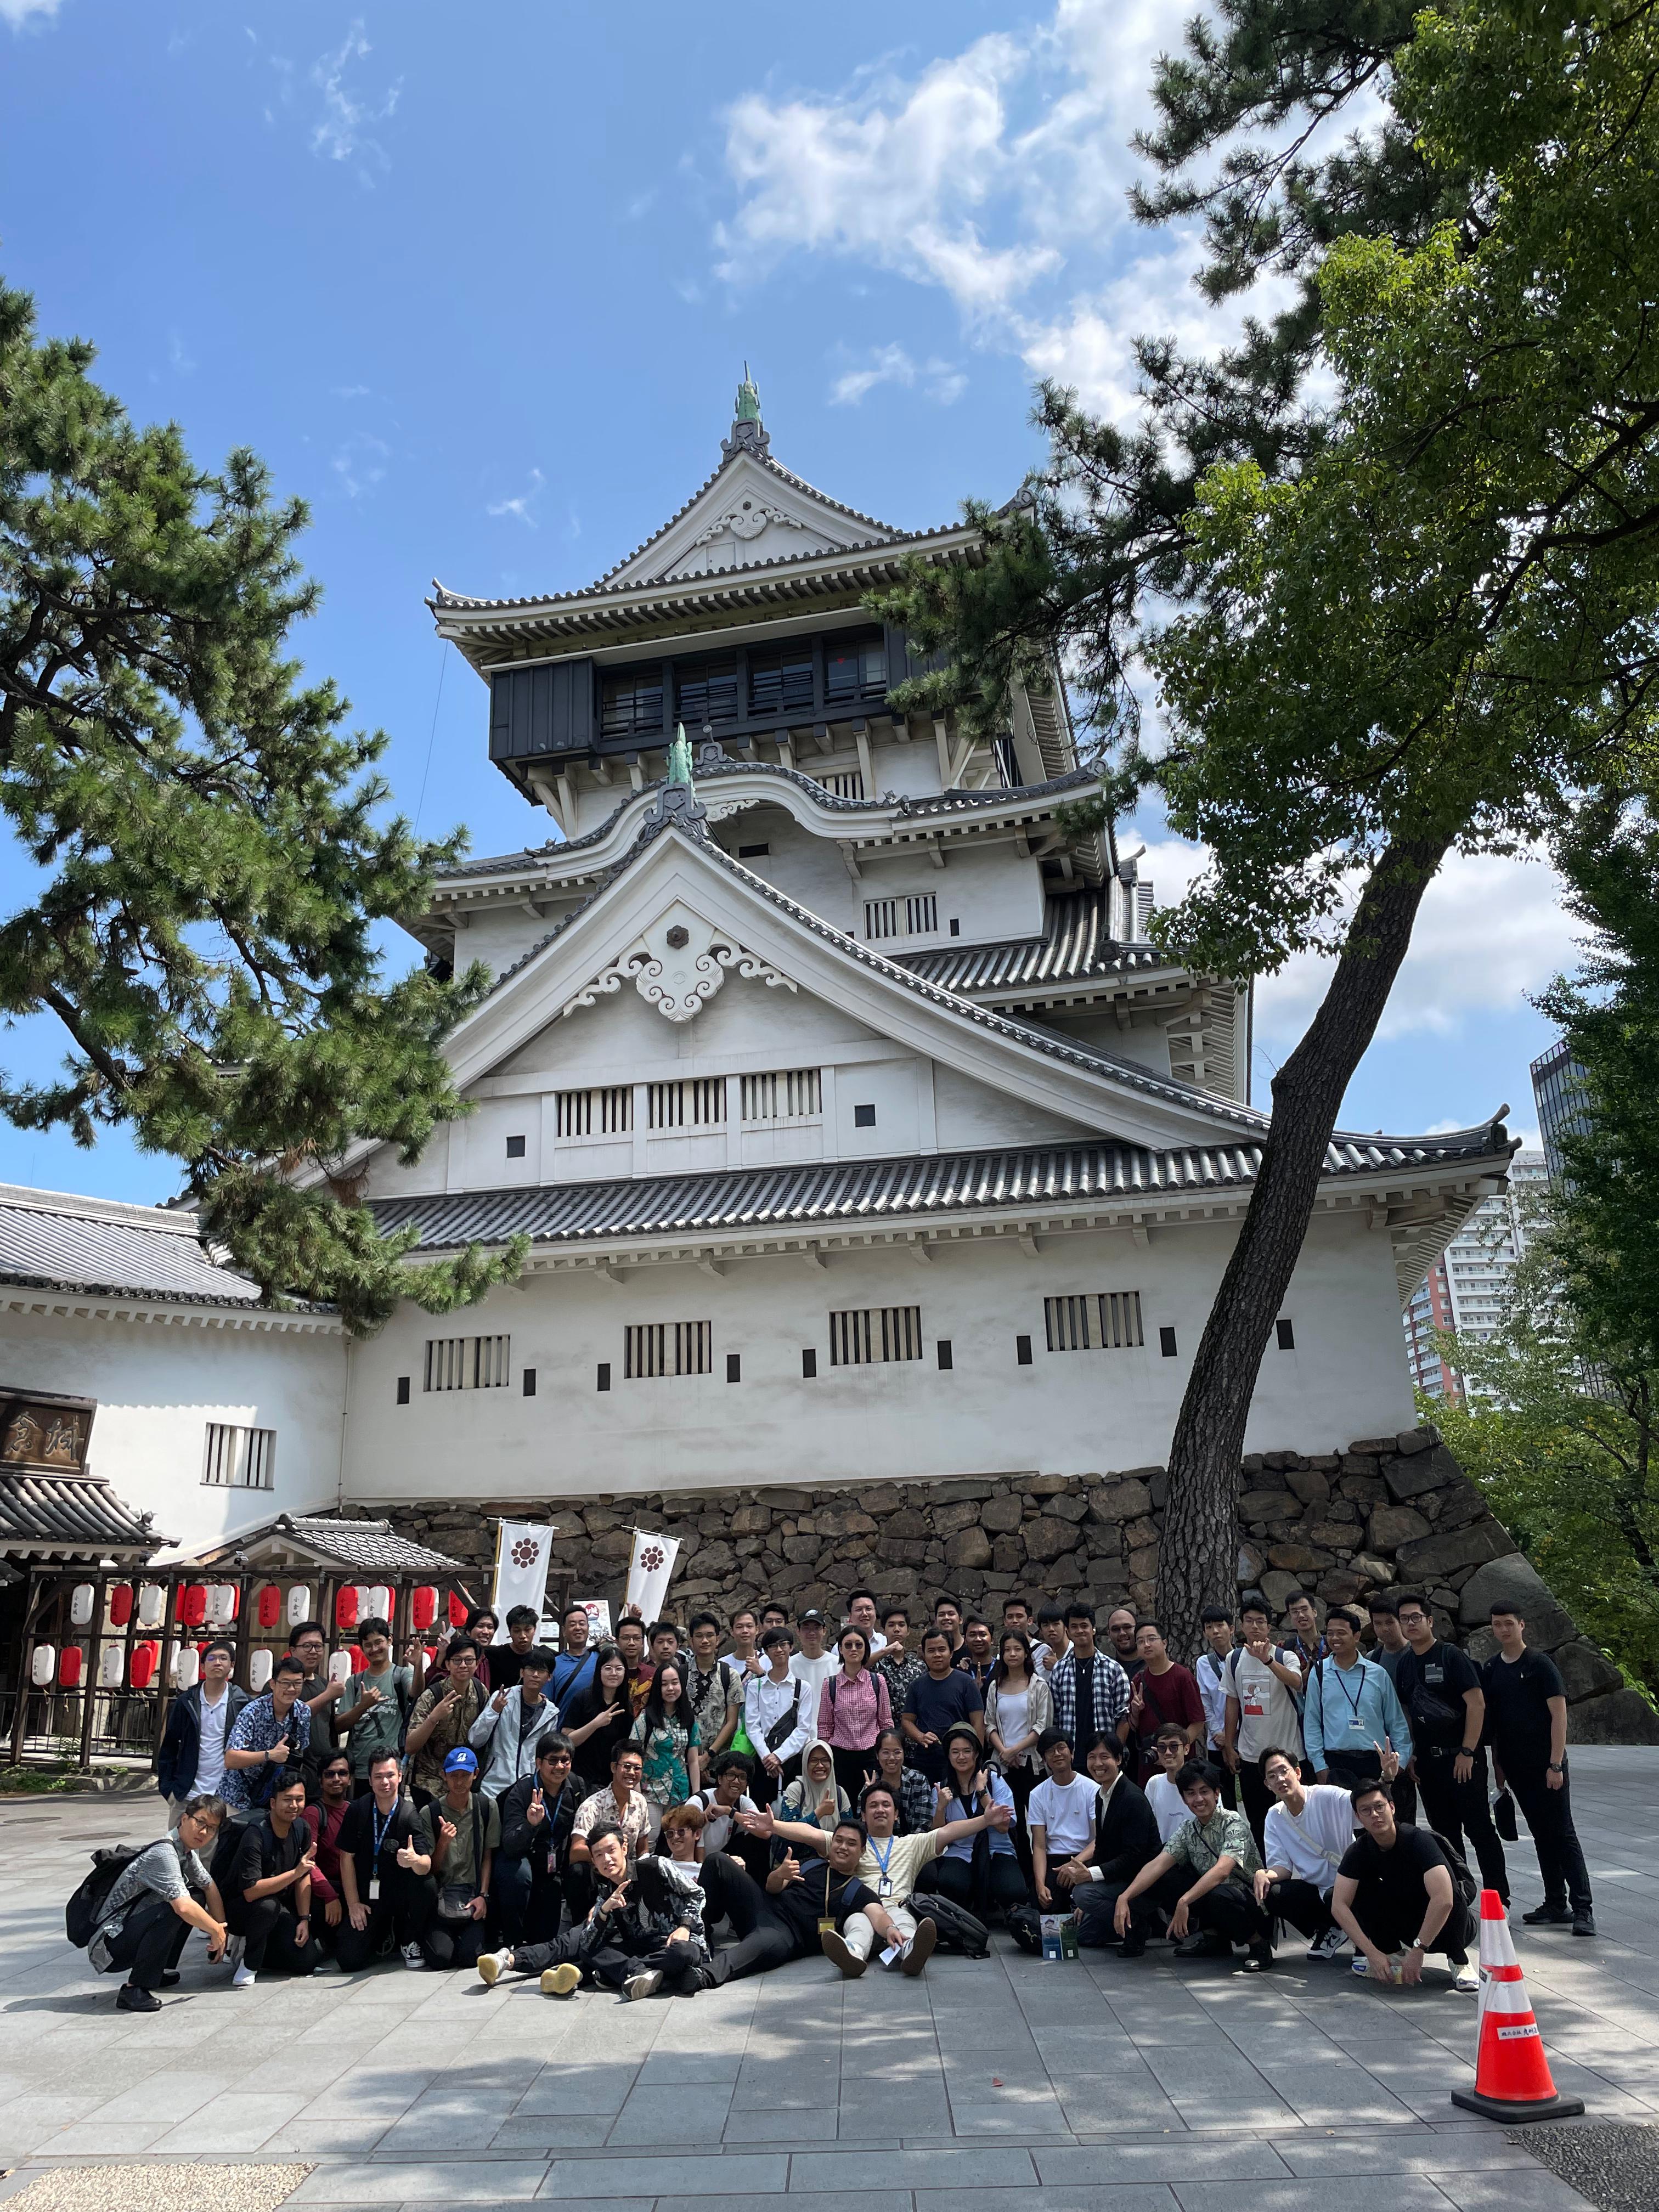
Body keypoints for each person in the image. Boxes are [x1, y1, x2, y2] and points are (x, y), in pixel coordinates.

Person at [479, 1822, 709, 1999]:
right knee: (589, 1949)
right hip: (639, 1948)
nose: (607, 1859)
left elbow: (697, 1894)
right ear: (593, 1860)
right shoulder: (605, 1891)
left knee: (682, 1955)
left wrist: (684, 1927)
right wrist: (603, 1913)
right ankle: (635, 1973)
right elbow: (588, 1943)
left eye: (611, 1851)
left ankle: (611, 1973)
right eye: (599, 1855)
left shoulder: (656, 1866)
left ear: (625, 1847)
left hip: (674, 1942)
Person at [1483, 1603, 1594, 1936]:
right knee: (1541, 1834)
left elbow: (1559, 1715)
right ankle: (1554, 1902)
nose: (1503, 1630)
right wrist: (1498, 1767)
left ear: (1522, 1626)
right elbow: (1496, 1724)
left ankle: (1583, 1908)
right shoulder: (1491, 1669)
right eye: (1497, 1625)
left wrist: (1556, 1763)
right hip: (1516, 1767)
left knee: (1563, 1834)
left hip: (1548, 1765)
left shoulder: (1540, 1665)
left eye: (1509, 1624)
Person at [1392, 1592, 1509, 1904]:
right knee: (1445, 1835)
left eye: (1416, 1617)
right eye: (1404, 1619)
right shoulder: (1404, 1664)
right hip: (1429, 1765)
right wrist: (1413, 1753)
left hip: (1463, 1758)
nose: (1410, 1623)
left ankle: (1499, 1900)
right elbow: (1407, 1714)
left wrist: (1468, 1751)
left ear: (1430, 1621)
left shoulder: (1450, 1656)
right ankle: (1460, 1896)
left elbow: (1477, 1703)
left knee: (1480, 1830)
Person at [697, 1815, 903, 1983]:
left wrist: (891, 1929)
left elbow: (878, 1915)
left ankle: (703, 1976)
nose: (843, 1847)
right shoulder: (810, 1864)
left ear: (862, 1851)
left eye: (851, 1844)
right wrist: (780, 1874)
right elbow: (771, 1887)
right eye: (839, 1841)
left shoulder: (859, 1890)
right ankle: (698, 1934)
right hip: (762, 1908)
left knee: (753, 1950)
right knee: (718, 1861)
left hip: (786, 1935)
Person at [1113, 1761, 1273, 1970]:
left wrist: (1184, 1901)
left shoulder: (1233, 1822)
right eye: (1191, 1793)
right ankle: (1215, 1939)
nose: (1198, 1799)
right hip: (1218, 1898)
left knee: (1218, 1894)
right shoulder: (1189, 1828)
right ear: (1183, 1798)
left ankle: (1258, 1944)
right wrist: (1124, 1897)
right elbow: (1158, 1865)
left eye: (1204, 1792)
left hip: (1251, 1902)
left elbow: (1223, 1871)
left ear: (1216, 1794)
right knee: (1166, 1878)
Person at [1330, 1778, 1479, 1991]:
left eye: (1379, 1807)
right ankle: (1392, 1954)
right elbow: (1339, 1905)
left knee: (1448, 1889)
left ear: (1392, 1807)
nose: (1374, 1814)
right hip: (1405, 1924)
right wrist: (1372, 1952)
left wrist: (1419, 1951)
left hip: (1451, 1926)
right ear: (1358, 1817)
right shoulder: (1359, 1850)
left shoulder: (1418, 1840)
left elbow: (1445, 1900)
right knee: (1352, 1892)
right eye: (1366, 1810)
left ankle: (1459, 1961)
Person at [88, 1793, 228, 2011]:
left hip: (127, 1933)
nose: (204, 1832)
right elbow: (182, 1907)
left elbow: (209, 1886)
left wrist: (221, 1929)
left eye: (212, 1828)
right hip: (109, 1946)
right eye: (200, 1822)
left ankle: (155, 1971)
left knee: (196, 1897)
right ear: (184, 1819)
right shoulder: (164, 1853)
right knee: (175, 1909)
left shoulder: (186, 1852)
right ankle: (134, 1989)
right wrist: (215, 1931)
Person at [335, 1748, 435, 1972]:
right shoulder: (358, 1810)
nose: (385, 1782)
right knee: (348, 1960)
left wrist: (414, 1860)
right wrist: (353, 1904)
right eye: (378, 1776)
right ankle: (380, 1935)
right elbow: (346, 1857)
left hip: (400, 1894)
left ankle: (409, 1938)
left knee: (427, 1885)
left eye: (390, 1775)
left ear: (400, 1777)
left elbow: (427, 1865)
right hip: (368, 1896)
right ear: (369, 1780)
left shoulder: (410, 1814)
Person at [1221, 1593, 1306, 1850]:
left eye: (1260, 1621)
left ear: (1269, 1626)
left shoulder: (1284, 1656)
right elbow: (1233, 1701)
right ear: (1242, 1625)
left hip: (1288, 1754)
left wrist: (1267, 1660)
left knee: (1295, 1818)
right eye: (1249, 1621)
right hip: (1251, 1756)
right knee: (1259, 1822)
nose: (1255, 1627)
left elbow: (1297, 1682)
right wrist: (1228, 1743)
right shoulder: (1233, 1659)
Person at [1255, 1746, 1356, 1960]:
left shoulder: (1328, 1796)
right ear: (1267, 1784)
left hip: (1352, 1883)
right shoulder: (1274, 1817)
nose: (1280, 1779)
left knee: (1335, 1895)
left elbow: (1363, 1804)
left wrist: (1386, 1779)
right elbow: (1282, 1867)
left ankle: (1366, 1937)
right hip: (1319, 1889)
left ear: (1298, 1773)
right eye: (1272, 1776)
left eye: (1284, 1771)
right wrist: (1264, 1874)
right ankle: (1332, 1928)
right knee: (1274, 1894)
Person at [919, 1725, 1028, 1917]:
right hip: (961, 1850)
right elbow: (937, 1836)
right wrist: (941, 1807)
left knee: (1013, 1892)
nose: (961, 1757)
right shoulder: (943, 1787)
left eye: (967, 1751)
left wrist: (982, 1792)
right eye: (955, 1752)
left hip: (997, 1848)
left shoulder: (994, 1780)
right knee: (950, 1884)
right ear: (949, 1755)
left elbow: (1003, 1827)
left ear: (976, 1754)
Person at [1302, 1606, 1413, 1792]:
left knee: (1376, 1818)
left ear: (1357, 1636)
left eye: (1341, 1633)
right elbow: (1312, 1721)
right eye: (1330, 1634)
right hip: (1336, 1762)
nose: (1335, 1639)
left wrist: (1400, 1762)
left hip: (1374, 1762)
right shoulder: (1320, 1673)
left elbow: (1396, 1721)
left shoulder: (1377, 1674)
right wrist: (1319, 1765)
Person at [225, 1770, 317, 1985]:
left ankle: (265, 1948)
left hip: (280, 1904)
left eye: (299, 1799)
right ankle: (249, 1962)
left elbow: (304, 1876)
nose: (294, 1805)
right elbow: (251, 1891)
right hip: (243, 1908)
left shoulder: (301, 1827)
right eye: (287, 1800)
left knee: (307, 1962)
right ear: (273, 1803)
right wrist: (295, 1873)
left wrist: (304, 1919)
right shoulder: (256, 1834)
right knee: (267, 1905)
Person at [1071, 1735, 1161, 1946]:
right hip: (1118, 1877)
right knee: (1083, 1936)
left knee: (1083, 1893)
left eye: (1105, 1757)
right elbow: (1101, 1848)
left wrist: (1091, 1876)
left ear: (1119, 1759)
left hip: (1142, 1882)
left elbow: (1135, 1857)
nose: (1098, 1764)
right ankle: (1150, 1924)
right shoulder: (1102, 1793)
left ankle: (1137, 1924)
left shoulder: (1132, 1798)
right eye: (1092, 1757)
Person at [415, 1745, 498, 1970]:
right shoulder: (430, 1813)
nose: (459, 1782)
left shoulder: (486, 1807)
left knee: (470, 1959)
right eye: (453, 1776)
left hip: (473, 1894)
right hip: (443, 1895)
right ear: (444, 1775)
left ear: (476, 1774)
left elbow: (488, 1856)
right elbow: (431, 1869)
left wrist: (483, 1895)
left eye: (465, 1775)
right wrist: (443, 1843)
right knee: (440, 1959)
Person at [495, 1734, 580, 1949]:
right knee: (517, 1875)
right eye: (553, 1760)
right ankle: (511, 1939)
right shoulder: (521, 1792)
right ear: (539, 1762)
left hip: (552, 1868)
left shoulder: (577, 1788)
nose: (559, 1766)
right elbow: (510, 1845)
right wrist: (531, 1824)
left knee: (542, 1939)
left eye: (565, 1760)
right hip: (524, 1859)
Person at [984, 1628, 1052, 1882]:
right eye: (1007, 1649)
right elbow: (989, 1724)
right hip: (1003, 1767)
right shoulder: (995, 1686)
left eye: (1018, 1649)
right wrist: (1003, 1751)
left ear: (1026, 1653)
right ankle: (1017, 1877)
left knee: (1036, 1823)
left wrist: (1015, 1750)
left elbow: (1042, 1727)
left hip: (1031, 1766)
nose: (1012, 1654)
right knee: (1010, 1824)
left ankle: (1040, 1880)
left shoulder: (1039, 1686)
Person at [219, 1652, 312, 1832]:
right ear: (273, 1684)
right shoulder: (252, 1712)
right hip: (238, 1795)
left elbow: (300, 1753)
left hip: (274, 1798)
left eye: (297, 1683)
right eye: (285, 1683)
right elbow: (230, 1759)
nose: (291, 1689)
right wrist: (270, 1755)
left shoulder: (303, 1713)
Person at [157, 1639, 247, 1818]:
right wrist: (169, 1789)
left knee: (220, 1846)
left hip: (226, 1796)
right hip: (187, 1793)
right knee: (180, 1845)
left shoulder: (241, 1703)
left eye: (223, 1658)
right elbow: (170, 1746)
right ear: (203, 1667)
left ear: (232, 1666)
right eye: (212, 1658)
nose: (218, 1662)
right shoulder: (187, 1702)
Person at [335, 1617, 416, 1795]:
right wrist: (362, 1707)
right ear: (362, 1648)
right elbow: (339, 1726)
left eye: (379, 1642)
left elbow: (415, 1691)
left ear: (390, 1640)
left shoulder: (401, 1675)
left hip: (390, 1768)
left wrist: (417, 1667)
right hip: (359, 1768)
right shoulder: (354, 1682)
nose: (374, 1649)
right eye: (368, 1645)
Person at [404, 1636, 488, 1804]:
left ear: (477, 1664)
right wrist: (433, 1718)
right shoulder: (432, 1696)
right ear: (448, 1664)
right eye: (457, 1660)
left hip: (462, 1782)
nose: (463, 1665)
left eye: (469, 1660)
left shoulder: (481, 1692)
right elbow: (410, 1746)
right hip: (428, 1781)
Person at [569, 1741, 653, 1910]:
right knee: (578, 1871)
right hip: (599, 1872)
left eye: (637, 1768)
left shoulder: (641, 1802)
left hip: (628, 1874)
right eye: (627, 1767)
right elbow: (575, 1852)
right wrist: (608, 1856)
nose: (632, 1773)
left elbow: (643, 1848)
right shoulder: (591, 1806)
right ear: (614, 1767)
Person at [471, 1643, 561, 1799]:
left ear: (549, 1677)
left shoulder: (550, 1713)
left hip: (528, 1790)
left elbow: (546, 1753)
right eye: (531, 1669)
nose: (535, 1675)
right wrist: (494, 1711)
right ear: (522, 1672)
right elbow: (475, 1739)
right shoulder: (502, 1697)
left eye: (541, 1671)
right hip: (493, 1786)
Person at [817, 1626, 892, 1805]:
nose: (853, 1649)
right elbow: (825, 1726)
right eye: (848, 1645)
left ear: (866, 1648)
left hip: (871, 1754)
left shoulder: (877, 1681)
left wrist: (887, 1753)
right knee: (845, 1806)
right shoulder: (831, 1684)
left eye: (859, 1645)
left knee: (872, 1804)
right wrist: (827, 1758)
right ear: (841, 1650)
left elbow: (886, 1721)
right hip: (841, 1758)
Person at [1048, 1606, 1131, 1767]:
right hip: (1071, 1756)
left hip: (1104, 1757)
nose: (1080, 1631)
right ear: (1067, 1631)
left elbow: (1124, 1716)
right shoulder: (1059, 1670)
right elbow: (1055, 1717)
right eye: (1074, 1626)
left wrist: (1114, 1752)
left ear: (1093, 1629)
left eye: (1084, 1626)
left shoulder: (1113, 1669)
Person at [1028, 1729, 1102, 1907]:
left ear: (1072, 1753)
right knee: (1045, 1903)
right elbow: (1038, 1845)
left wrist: (1076, 1863)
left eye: (1062, 1748)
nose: (1057, 1754)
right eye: (1050, 1751)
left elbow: (1098, 1839)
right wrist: (1040, 1885)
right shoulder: (1037, 1794)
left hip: (1084, 1857)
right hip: (1054, 1859)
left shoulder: (1092, 1789)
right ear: (1044, 1760)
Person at [902, 1626, 984, 1784]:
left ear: (951, 1653)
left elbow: (978, 1722)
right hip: (927, 1757)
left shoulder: (966, 1682)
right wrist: (920, 1736)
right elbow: (907, 1721)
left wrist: (977, 1756)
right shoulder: (917, 1686)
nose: (937, 1655)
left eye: (942, 1649)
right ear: (924, 1655)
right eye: (931, 1651)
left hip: (960, 1756)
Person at [1124, 1621, 1205, 1780]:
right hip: (1150, 1762)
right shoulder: (1138, 1680)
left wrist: (1174, 1751)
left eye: (1152, 1639)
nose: (1146, 1645)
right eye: (1140, 1641)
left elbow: (1198, 1722)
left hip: (1180, 1764)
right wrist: (1135, 1711)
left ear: (1165, 1643)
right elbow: (1134, 1726)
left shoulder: (1182, 1677)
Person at [1364, 1593, 1419, 1821]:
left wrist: (1413, 1753)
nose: (1384, 1629)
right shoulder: (1372, 1660)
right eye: (1378, 1623)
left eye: (1390, 1622)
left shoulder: (1418, 1656)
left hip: (1413, 1752)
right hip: (1384, 1754)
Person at [744, 1627, 814, 1802]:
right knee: (761, 1812)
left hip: (793, 1761)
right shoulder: (756, 1687)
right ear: (766, 1651)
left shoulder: (803, 1687)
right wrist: (768, 1757)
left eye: (783, 1644)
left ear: (791, 1647)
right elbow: (752, 1726)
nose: (779, 1650)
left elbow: (803, 1728)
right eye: (773, 1646)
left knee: (793, 1812)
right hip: (762, 1761)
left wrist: (779, 1756)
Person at [631, 1658, 701, 1831]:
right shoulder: (645, 1718)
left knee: (679, 1840)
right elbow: (634, 1757)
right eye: (665, 1684)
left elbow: (693, 1761)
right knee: (651, 1840)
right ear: (657, 1688)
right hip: (651, 1792)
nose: (670, 1688)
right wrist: (638, 1794)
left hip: (680, 1791)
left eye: (675, 1683)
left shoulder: (689, 1718)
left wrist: (697, 1797)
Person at [300, 1748, 354, 1966]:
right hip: (324, 1895)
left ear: (350, 1779)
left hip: (351, 1892)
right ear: (320, 1781)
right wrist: (330, 1896)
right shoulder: (313, 1814)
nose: (336, 1779)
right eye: (330, 1774)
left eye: (342, 1773)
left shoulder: (354, 1810)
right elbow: (306, 1863)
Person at [563, 1644, 635, 1791]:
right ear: (599, 1671)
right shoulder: (582, 1698)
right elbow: (568, 1741)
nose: (613, 1673)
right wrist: (595, 1723)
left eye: (619, 1668)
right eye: (608, 1668)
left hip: (612, 1781)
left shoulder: (626, 1705)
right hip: (581, 1780)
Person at [287, 1620, 347, 1794]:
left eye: (318, 1646)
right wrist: (328, 1695)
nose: (313, 1651)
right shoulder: (282, 1685)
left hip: (323, 1777)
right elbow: (291, 1718)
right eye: (307, 1646)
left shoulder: (324, 1684)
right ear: (292, 1650)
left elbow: (331, 1729)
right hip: (293, 1775)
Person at [695, 1751, 769, 1886]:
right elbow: (686, 1840)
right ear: (720, 1778)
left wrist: (730, 1811)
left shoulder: (744, 1803)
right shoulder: (700, 1801)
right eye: (731, 1775)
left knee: (756, 1842)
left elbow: (765, 1833)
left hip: (719, 1863)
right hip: (694, 1864)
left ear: (747, 1784)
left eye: (742, 1777)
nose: (736, 1781)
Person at [684, 1612, 742, 1763]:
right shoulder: (680, 1674)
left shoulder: (729, 1675)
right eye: (699, 1636)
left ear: (717, 1639)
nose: (705, 1640)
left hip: (719, 1758)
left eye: (710, 1635)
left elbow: (732, 1721)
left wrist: (709, 1755)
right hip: (683, 1758)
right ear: (691, 1641)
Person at [1195, 1607, 1237, 1804]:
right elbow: (1205, 1702)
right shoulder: (1203, 1664)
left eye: (1220, 1626)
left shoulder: (1245, 1657)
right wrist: (1217, 1733)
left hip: (1246, 1736)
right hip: (1217, 1741)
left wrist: (1232, 1734)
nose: (1215, 1631)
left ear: (1232, 1629)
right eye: (1209, 1627)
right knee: (1224, 1796)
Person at [867, 1725, 938, 1835]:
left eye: (897, 1752)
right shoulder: (871, 1784)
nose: (891, 1758)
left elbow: (924, 1822)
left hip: (915, 1845)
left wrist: (909, 1847)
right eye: (886, 1752)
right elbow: (864, 1824)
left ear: (904, 1753)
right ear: (877, 1755)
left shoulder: (918, 1780)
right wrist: (869, 1795)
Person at [779, 1737, 848, 1835]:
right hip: (799, 1850)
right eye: (814, 1760)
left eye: (825, 1760)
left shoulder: (839, 1792)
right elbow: (788, 1832)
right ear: (805, 1764)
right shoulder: (795, 1789)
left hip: (832, 1849)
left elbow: (850, 1830)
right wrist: (819, 1813)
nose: (820, 1765)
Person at [1144, 1723, 1195, 1844]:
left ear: (1186, 1749)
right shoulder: (1154, 1784)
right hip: (1162, 1855)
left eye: (1174, 1746)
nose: (1167, 1753)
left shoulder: (1201, 1785)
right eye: (1162, 1747)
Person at [872, 1607, 924, 1719]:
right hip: (884, 1731)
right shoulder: (874, 1666)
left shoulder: (919, 1666)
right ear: (884, 1631)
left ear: (908, 1631)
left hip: (914, 1729)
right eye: (891, 1625)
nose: (897, 1629)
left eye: (901, 1625)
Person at [488, 1605, 544, 1696]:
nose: (523, 1636)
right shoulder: (494, 1655)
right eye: (517, 1631)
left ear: (535, 1630)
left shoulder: (544, 1657)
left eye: (527, 1630)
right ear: (510, 1632)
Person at [551, 1604, 600, 1706]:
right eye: (572, 1625)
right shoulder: (553, 1664)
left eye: (582, 1624)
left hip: (600, 1721)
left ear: (588, 1628)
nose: (578, 1628)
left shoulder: (601, 1658)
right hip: (564, 1721)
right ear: (564, 1631)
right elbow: (547, 1703)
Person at [791, 1611, 839, 1709]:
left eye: (817, 1628)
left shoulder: (838, 1664)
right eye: (806, 1628)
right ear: (798, 1631)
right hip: (798, 1724)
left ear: (824, 1631)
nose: (812, 1633)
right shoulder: (789, 1665)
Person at [1284, 1592, 1328, 1691]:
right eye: (1295, 1612)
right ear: (1290, 1616)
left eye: (1304, 1609)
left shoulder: (1331, 1643)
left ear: (1314, 1612)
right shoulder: (1287, 1648)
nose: (1301, 1615)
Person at [614, 1615, 653, 1714]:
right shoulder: (609, 1674)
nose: (631, 1643)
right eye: (626, 1638)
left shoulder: (653, 1675)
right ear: (617, 1642)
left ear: (642, 1642)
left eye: (637, 1638)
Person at [956, 1616, 997, 1696]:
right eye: (972, 1635)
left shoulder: (1004, 1669)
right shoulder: (959, 1674)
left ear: (992, 1640)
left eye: (983, 1634)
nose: (978, 1639)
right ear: (965, 1641)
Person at [843, 1589, 888, 1655]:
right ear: (850, 1616)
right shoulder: (840, 1647)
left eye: (869, 1609)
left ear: (875, 1613)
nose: (864, 1614)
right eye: (859, 1609)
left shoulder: (885, 1643)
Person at [1105, 1606, 1143, 1679]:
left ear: (1138, 1629)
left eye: (1127, 1627)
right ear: (1109, 1634)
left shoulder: (1154, 1667)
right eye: (1116, 1629)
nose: (1122, 1633)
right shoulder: (1106, 1670)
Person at [724, 1607, 762, 1677]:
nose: (745, 1631)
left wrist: (760, 1673)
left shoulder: (768, 1661)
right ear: (732, 1631)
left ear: (757, 1630)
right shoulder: (723, 1664)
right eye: (739, 1627)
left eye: (749, 1626)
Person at [1034, 1604, 1070, 1677]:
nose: (1051, 1629)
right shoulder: (1043, 1656)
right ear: (1041, 1630)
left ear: (1066, 1626)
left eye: (1056, 1624)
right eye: (1046, 1625)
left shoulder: (1077, 1653)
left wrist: (1057, 1666)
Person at [931, 1597, 966, 1664]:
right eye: (941, 1615)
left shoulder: (971, 1649)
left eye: (951, 1614)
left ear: (961, 1619)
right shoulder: (932, 1653)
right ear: (936, 1621)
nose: (946, 1618)